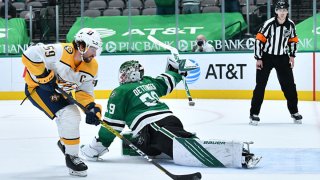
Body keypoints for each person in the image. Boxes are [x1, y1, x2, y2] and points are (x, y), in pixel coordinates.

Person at [80, 59, 261, 169]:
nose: (121, 78)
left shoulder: (120, 92)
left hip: (154, 125)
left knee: (185, 147)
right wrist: (177, 69)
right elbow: (168, 79)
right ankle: (179, 142)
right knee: (161, 145)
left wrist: (96, 148)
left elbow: (112, 126)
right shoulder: (149, 82)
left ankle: (239, 154)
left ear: (127, 74)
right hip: (161, 124)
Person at [21, 28, 103, 177]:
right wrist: (44, 76)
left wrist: (91, 108)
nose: (95, 54)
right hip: (39, 89)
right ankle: (72, 157)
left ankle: (66, 143)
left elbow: (84, 92)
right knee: (70, 115)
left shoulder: (93, 66)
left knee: (67, 117)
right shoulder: (60, 51)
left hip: (58, 91)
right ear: (82, 45)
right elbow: (29, 54)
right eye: (93, 49)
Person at [249, 0, 302, 126]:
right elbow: (258, 41)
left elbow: (293, 40)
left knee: (289, 86)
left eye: (284, 10)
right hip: (266, 57)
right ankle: (254, 113)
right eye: (280, 10)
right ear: (276, 11)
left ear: (287, 11)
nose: (282, 13)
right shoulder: (269, 24)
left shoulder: (291, 24)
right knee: (260, 86)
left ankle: (294, 112)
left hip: (282, 58)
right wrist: (259, 58)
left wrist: (292, 55)